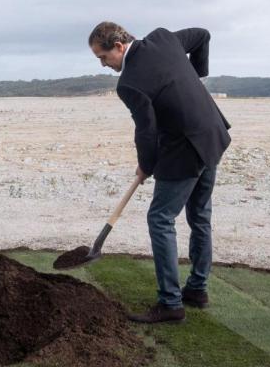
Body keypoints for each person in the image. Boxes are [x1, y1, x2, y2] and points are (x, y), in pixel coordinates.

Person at [88, 21, 231, 324]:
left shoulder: (129, 83)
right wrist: (197, 73)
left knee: (160, 218)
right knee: (200, 215)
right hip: (212, 135)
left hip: (186, 147)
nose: (104, 64)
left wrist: (146, 165)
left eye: (103, 57)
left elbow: (146, 131)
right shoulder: (164, 40)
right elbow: (203, 35)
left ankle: (171, 303)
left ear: (118, 46)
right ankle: (197, 290)